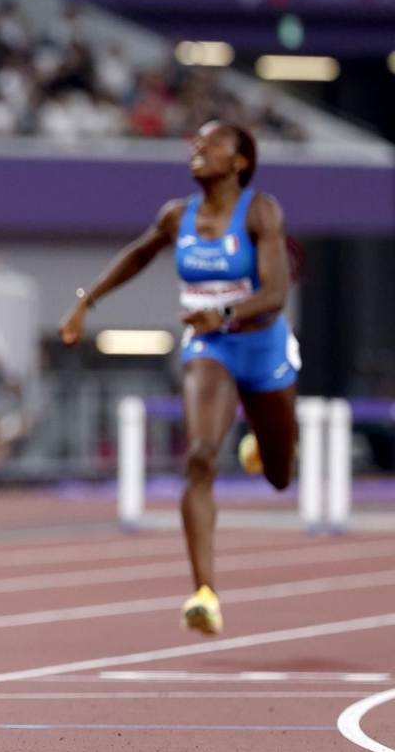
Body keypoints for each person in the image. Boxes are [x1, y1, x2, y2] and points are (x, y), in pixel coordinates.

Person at [60, 120, 298, 636]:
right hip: (208, 348)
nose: (199, 147)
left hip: (261, 345)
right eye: (196, 141)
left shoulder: (260, 210)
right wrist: (84, 303)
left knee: (281, 474)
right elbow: (137, 255)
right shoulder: (176, 216)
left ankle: (261, 443)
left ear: (238, 162)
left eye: (213, 143)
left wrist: (228, 313)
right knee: (198, 458)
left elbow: (276, 291)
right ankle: (205, 594)